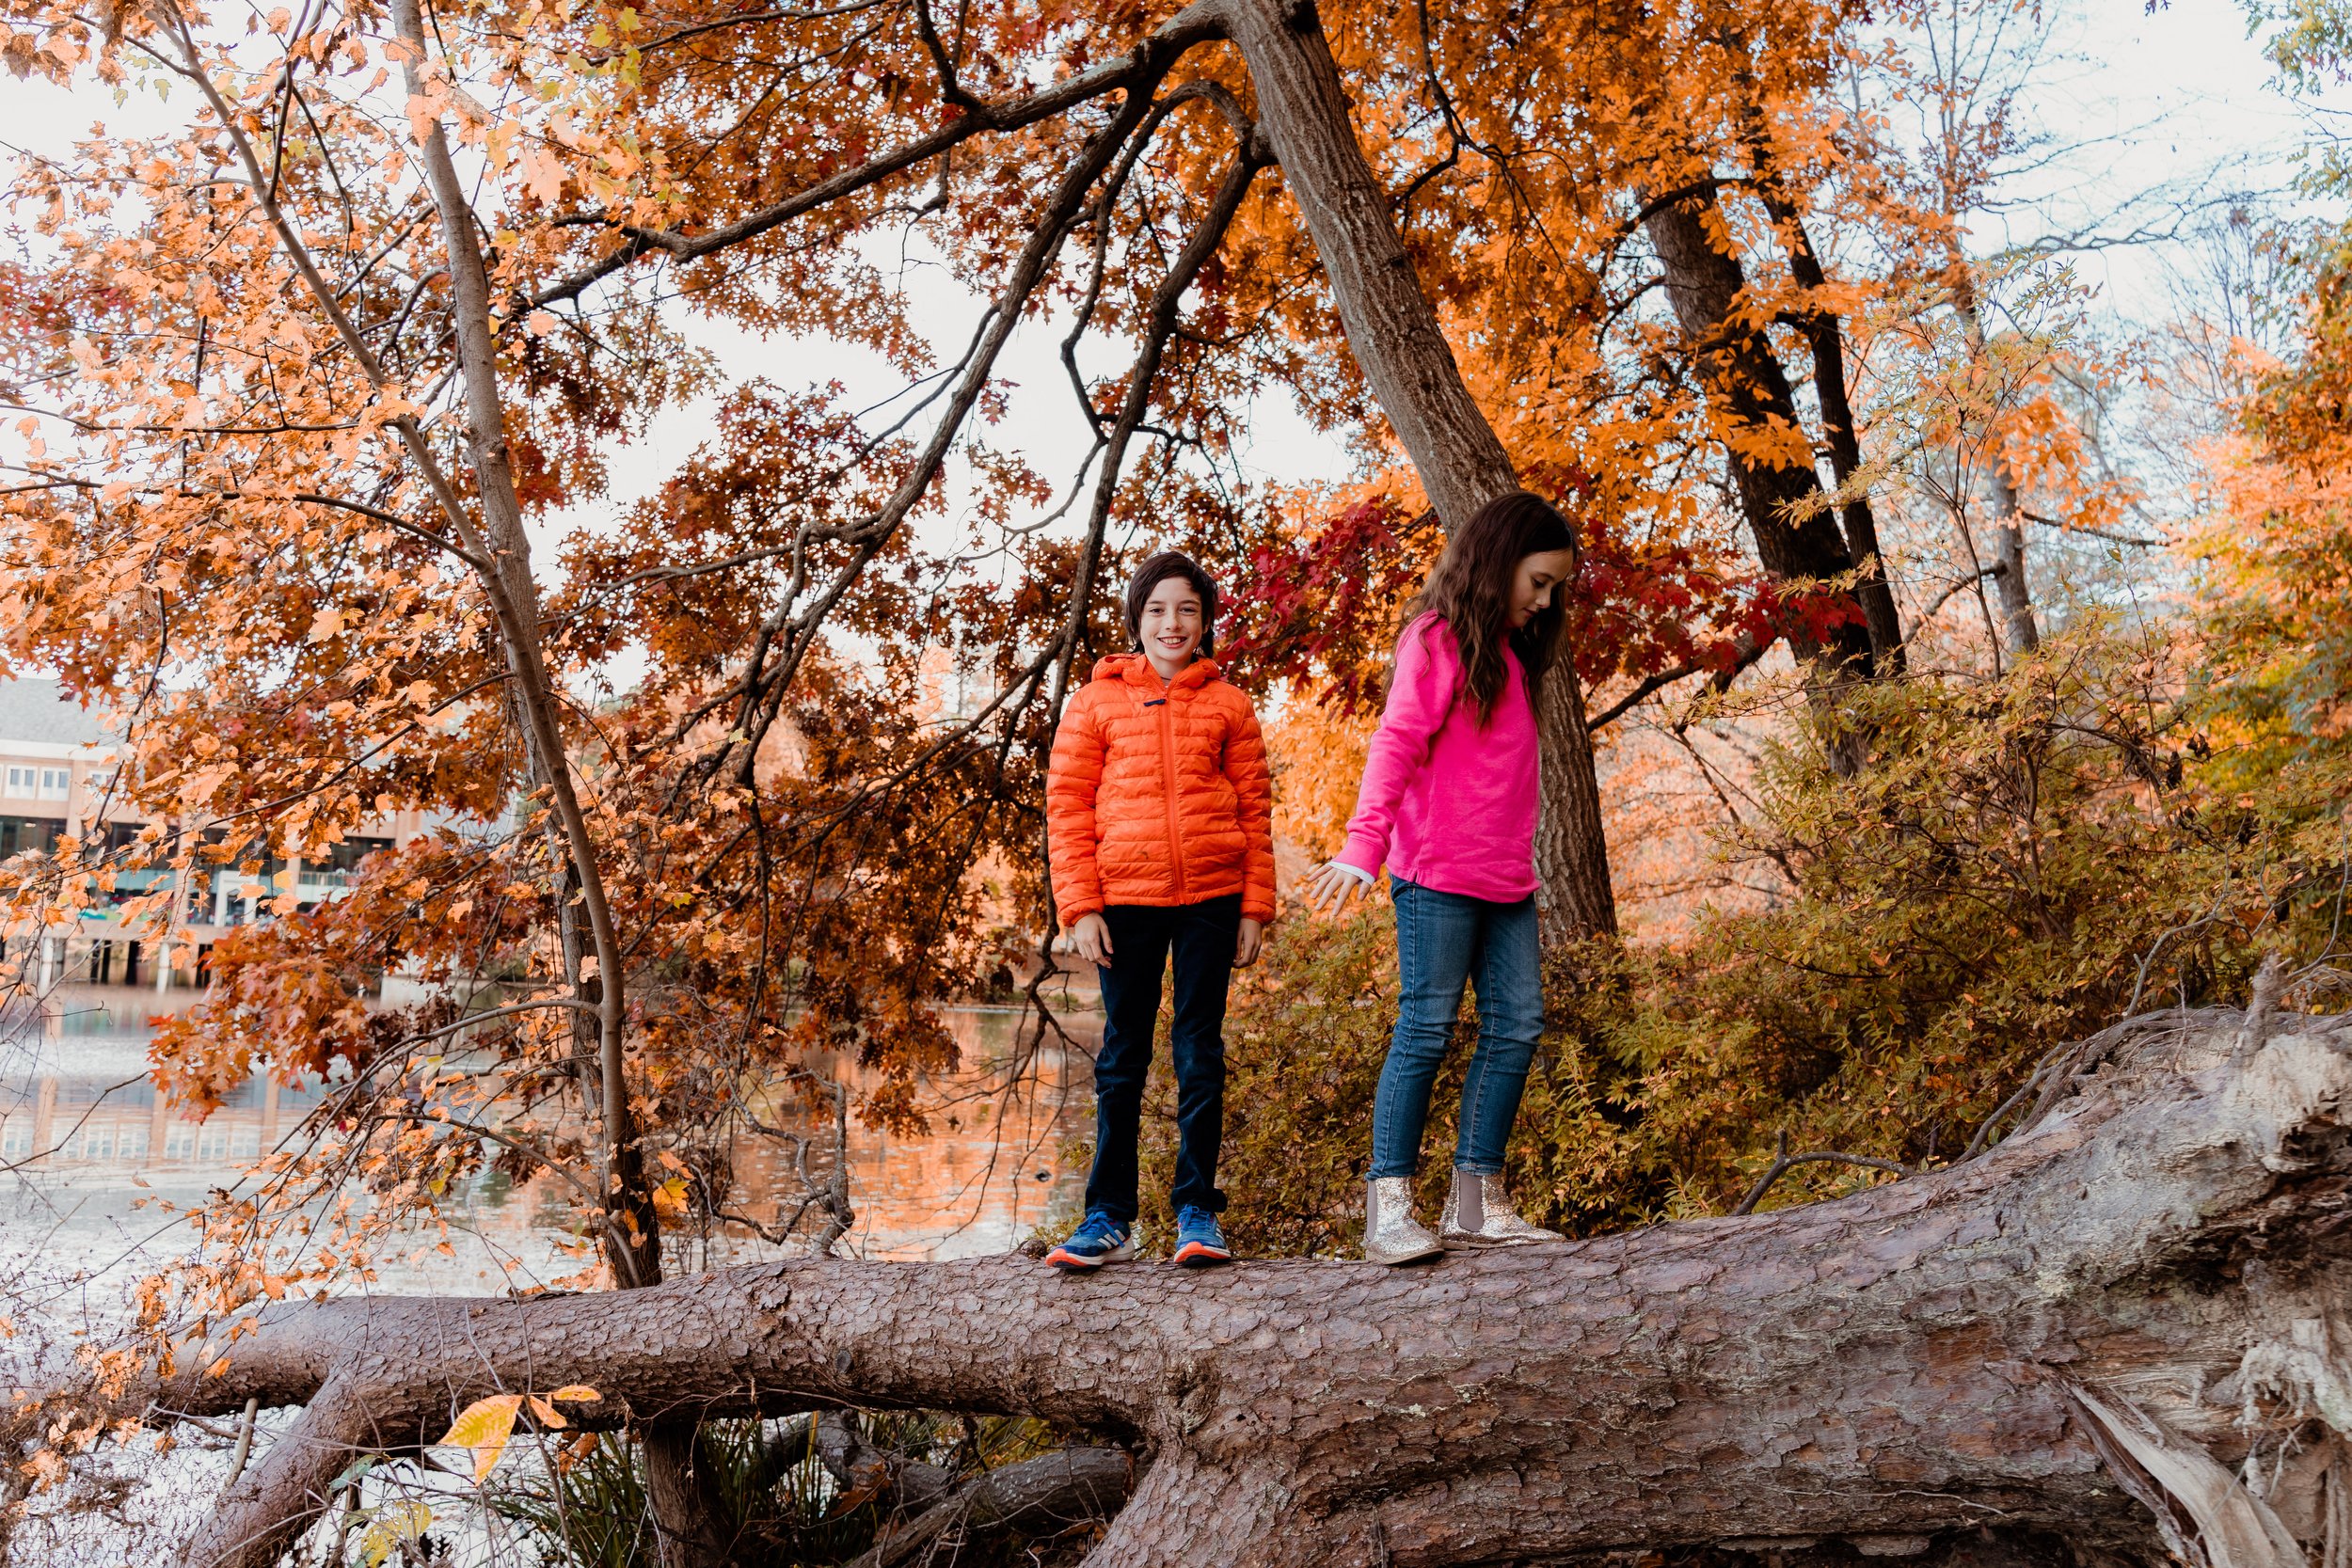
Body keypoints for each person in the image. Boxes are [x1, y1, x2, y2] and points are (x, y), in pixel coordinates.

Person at [1304, 491, 1579, 1264]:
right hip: (1436, 875)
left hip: (1507, 880)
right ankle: (1387, 1210)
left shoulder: (1513, 658)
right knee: (1426, 1027)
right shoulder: (1434, 638)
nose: (1545, 600)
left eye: (1555, 587)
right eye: (1538, 581)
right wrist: (1363, 845)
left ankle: (1475, 1206)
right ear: (1498, 563)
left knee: (1517, 1025)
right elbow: (1395, 743)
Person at [1043, 551, 1275, 1270]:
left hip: (1212, 898)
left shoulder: (1230, 704)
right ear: (1137, 618)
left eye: (1187, 610)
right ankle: (1107, 1217)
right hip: (1124, 902)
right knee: (1123, 1056)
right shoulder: (1096, 702)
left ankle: (1197, 1211)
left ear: (1204, 622)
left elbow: (1256, 811)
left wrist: (1255, 907)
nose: (1173, 623)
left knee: (1199, 1053)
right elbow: (1067, 807)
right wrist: (1080, 906)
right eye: (1158, 610)